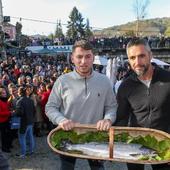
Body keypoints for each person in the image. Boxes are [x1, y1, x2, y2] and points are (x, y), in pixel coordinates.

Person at [46, 40, 117, 170]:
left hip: (96, 135)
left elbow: (111, 106)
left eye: (87, 56)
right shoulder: (62, 81)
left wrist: (108, 119)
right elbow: (50, 107)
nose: (83, 61)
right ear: (72, 58)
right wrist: (61, 120)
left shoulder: (104, 81)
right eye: (79, 57)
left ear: (93, 58)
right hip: (68, 135)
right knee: (66, 168)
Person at [115, 38, 170, 170]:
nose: (137, 62)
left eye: (141, 56)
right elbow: (121, 119)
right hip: (135, 144)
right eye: (132, 57)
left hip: (165, 144)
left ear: (150, 55)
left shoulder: (168, 79)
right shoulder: (125, 86)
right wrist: (113, 147)